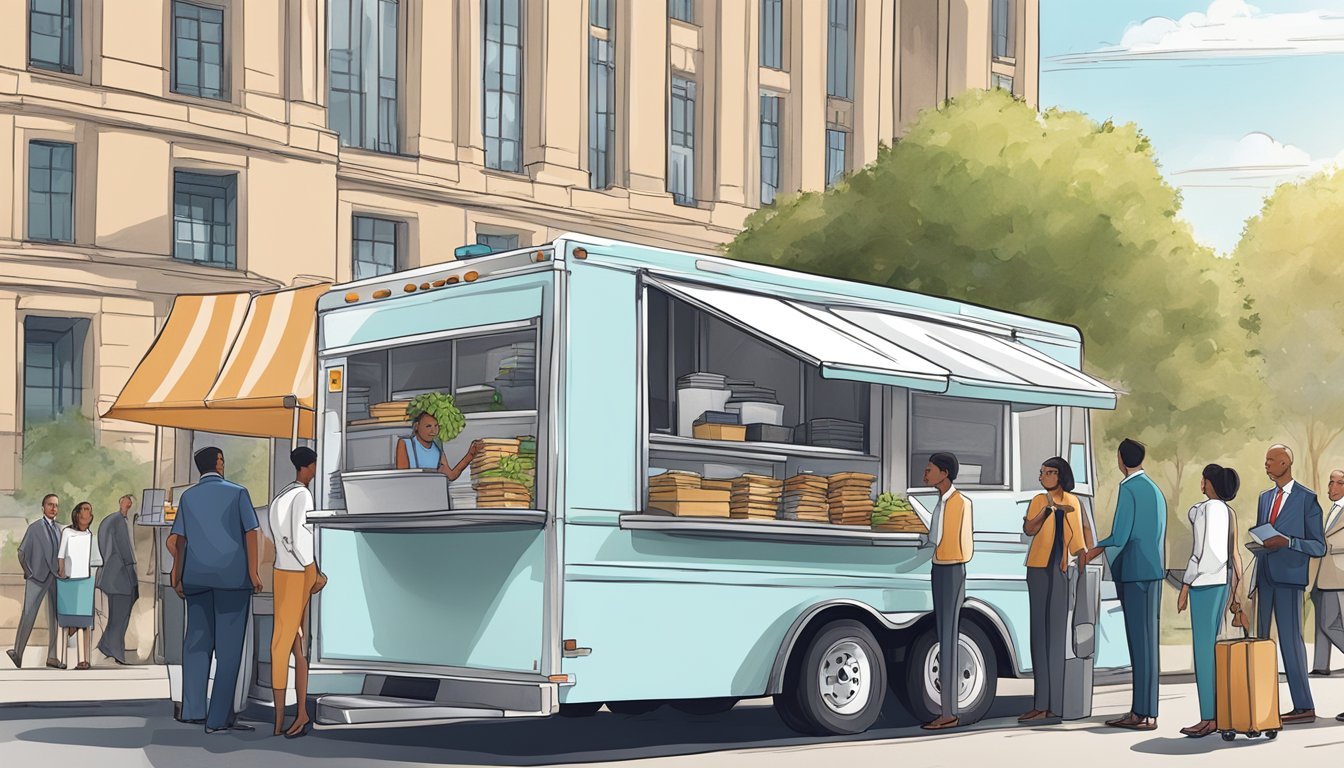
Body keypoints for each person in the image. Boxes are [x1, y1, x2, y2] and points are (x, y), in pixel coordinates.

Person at [167, 447, 263, 734]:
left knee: (196, 645)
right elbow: (252, 533)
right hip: (232, 580)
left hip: (195, 578)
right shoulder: (238, 493)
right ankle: (218, 718)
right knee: (229, 650)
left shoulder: (188, 497)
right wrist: (254, 572)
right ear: (219, 463)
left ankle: (193, 710)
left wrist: (177, 574)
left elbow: (176, 541)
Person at [1080, 438, 1166, 731]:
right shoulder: (1154, 489)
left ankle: (1140, 713)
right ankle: (1148, 711)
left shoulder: (1129, 488)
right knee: (1149, 644)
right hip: (1153, 572)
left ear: (1121, 459)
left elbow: (1120, 534)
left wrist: (1095, 547)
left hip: (1134, 573)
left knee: (1138, 644)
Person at [1251, 444, 1326, 724]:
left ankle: (1304, 706)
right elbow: (1263, 533)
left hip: (1290, 579)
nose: (1267, 464)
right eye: (1266, 460)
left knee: (1291, 642)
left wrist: (1289, 542)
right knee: (1261, 643)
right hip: (1265, 576)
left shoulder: (1307, 499)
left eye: (1271, 460)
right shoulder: (1264, 498)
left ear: (1286, 463)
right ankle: (1261, 706)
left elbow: (1318, 546)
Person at [1019, 457, 1088, 723]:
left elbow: (1078, 544)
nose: (1043, 477)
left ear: (1061, 476)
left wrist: (1082, 575)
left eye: (1049, 472)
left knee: (1057, 637)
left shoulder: (1073, 502)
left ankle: (1056, 705)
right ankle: (1040, 703)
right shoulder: (1039, 500)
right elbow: (1029, 529)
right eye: (1041, 472)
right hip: (1037, 570)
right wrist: (1047, 510)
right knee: (1039, 635)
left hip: (1060, 573)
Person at [1176, 464, 1241, 738]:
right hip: (1222, 584)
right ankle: (1219, 713)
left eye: (1203, 480)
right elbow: (1233, 554)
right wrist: (1237, 593)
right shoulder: (1228, 512)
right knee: (1213, 650)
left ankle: (1209, 717)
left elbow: (1201, 552)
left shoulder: (1205, 510)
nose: (1200, 483)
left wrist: (1185, 585)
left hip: (1204, 585)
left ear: (1207, 483)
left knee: (1203, 653)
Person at [268, 447, 328, 738]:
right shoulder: (303, 496)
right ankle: (291, 715)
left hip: (280, 571)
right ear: (309, 466)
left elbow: (281, 537)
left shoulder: (280, 496)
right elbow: (300, 538)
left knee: (290, 640)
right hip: (297, 573)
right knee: (294, 644)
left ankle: (292, 713)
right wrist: (314, 572)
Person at [915, 452, 973, 731]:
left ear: (944, 473)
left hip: (950, 570)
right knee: (945, 638)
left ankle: (948, 712)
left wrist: (923, 541)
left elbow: (938, 538)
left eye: (930, 470)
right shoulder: (943, 502)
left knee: (947, 640)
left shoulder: (957, 503)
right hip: (943, 569)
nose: (925, 474)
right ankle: (947, 710)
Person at [8, 494, 64, 670]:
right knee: (28, 615)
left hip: (54, 577)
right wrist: (29, 572)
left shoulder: (59, 529)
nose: (53, 508)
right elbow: (21, 552)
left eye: (55, 505)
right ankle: (17, 653)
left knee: (56, 617)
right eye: (50, 505)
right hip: (37, 577)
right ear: (43, 507)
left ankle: (53, 657)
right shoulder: (34, 528)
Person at [56, 501, 102, 670]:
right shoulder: (67, 532)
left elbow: (94, 560)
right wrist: (62, 571)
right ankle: (62, 659)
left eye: (89, 510)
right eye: (83, 509)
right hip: (68, 581)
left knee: (83, 623)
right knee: (66, 622)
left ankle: (83, 660)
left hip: (85, 581)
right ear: (76, 514)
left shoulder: (90, 535)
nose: (86, 513)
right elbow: (61, 554)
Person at [96, 494, 139, 665]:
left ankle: (106, 644)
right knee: (120, 616)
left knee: (118, 615)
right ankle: (115, 650)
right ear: (123, 503)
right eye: (128, 502)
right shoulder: (119, 522)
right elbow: (125, 551)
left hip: (114, 575)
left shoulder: (113, 520)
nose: (129, 505)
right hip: (119, 577)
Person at [1310, 470, 1344, 677]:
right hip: (1321, 574)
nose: (1332, 487)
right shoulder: (1332, 509)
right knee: (1322, 621)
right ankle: (1320, 664)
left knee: (1329, 622)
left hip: (1338, 576)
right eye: (1331, 482)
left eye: (1339, 483)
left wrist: (1327, 546)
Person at [394, 411, 481, 481]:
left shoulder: (437, 450)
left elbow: (451, 475)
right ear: (417, 426)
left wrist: (470, 454)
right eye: (428, 426)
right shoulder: (405, 444)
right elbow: (402, 479)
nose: (433, 431)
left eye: (436, 426)